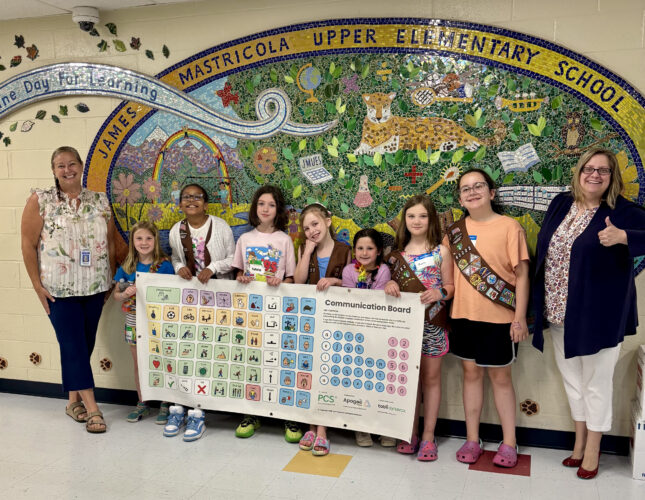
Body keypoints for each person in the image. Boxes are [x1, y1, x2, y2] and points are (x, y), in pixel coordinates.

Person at [532, 148, 645, 479]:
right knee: (573, 381)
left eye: (603, 170)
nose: (595, 175)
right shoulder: (561, 203)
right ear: (579, 172)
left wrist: (624, 237)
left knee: (596, 384)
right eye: (589, 169)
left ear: (612, 177)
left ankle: (593, 449)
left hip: (599, 315)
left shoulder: (621, 211)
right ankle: (579, 443)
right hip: (558, 312)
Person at [21, 146, 115, 433]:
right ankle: (93, 408)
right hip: (58, 290)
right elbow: (28, 244)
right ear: (53, 170)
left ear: (81, 166)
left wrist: (109, 278)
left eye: (71, 163)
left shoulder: (99, 200)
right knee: (72, 346)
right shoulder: (41, 200)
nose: (67, 170)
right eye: (60, 165)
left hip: (95, 287)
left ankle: (72, 402)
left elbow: (110, 242)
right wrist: (37, 286)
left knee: (83, 346)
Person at [446, 169, 529, 468]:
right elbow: (446, 276)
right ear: (460, 199)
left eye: (478, 186)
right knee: (470, 375)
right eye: (465, 188)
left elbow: (522, 276)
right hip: (462, 316)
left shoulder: (510, 227)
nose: (472, 192)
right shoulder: (454, 233)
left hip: (499, 319)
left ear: (491, 193)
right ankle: (472, 438)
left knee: (501, 378)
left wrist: (519, 318)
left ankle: (509, 442)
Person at [384, 196, 454, 461]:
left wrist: (439, 292)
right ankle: (409, 432)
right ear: (404, 220)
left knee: (431, 380)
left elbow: (451, 287)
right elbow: (385, 285)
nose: (416, 221)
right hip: (404, 328)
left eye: (423, 216)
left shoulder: (441, 252)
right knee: (408, 381)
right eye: (411, 216)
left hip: (433, 325)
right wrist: (389, 285)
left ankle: (428, 436)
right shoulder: (395, 256)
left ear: (431, 219)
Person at [167, 183, 235, 441]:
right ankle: (181, 407)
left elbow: (233, 259)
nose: (191, 200)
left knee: (212, 352)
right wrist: (178, 268)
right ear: (180, 204)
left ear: (206, 204)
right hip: (191, 299)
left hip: (218, 297)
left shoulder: (221, 227)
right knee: (190, 350)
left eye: (197, 197)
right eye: (186, 197)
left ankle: (201, 410)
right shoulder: (176, 230)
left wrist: (213, 267)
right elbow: (175, 258)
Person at [232, 185, 296, 439]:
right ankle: (251, 413)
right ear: (254, 207)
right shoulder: (245, 239)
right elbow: (239, 272)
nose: (265, 209)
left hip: (278, 312)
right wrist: (241, 277)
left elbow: (292, 279)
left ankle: (287, 416)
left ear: (278, 210)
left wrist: (281, 282)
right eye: (261, 204)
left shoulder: (284, 240)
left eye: (271, 204)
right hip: (252, 312)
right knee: (253, 361)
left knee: (280, 361)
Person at [294, 204, 351, 455]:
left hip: (336, 319)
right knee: (311, 372)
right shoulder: (304, 248)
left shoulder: (345, 250)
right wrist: (307, 252)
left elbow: (352, 283)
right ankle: (310, 426)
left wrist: (335, 281)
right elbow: (299, 281)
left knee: (327, 372)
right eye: (307, 228)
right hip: (311, 319)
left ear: (328, 221)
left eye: (315, 224)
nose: (312, 231)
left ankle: (323, 430)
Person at [112, 221, 174, 423]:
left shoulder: (164, 265)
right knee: (139, 363)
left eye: (148, 238)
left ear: (155, 240)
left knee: (162, 361)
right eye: (139, 238)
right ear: (133, 241)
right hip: (133, 320)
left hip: (158, 322)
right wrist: (125, 294)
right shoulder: (128, 266)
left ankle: (165, 403)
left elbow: (173, 294)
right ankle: (142, 402)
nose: (144, 242)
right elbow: (116, 295)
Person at [344, 228, 399, 450]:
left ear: (378, 251)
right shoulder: (348, 271)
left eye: (369, 248)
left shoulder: (383, 271)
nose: (364, 253)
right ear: (354, 250)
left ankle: (384, 427)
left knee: (380, 382)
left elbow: (376, 302)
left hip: (379, 334)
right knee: (359, 381)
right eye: (360, 248)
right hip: (356, 332)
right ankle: (361, 427)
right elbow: (349, 299)